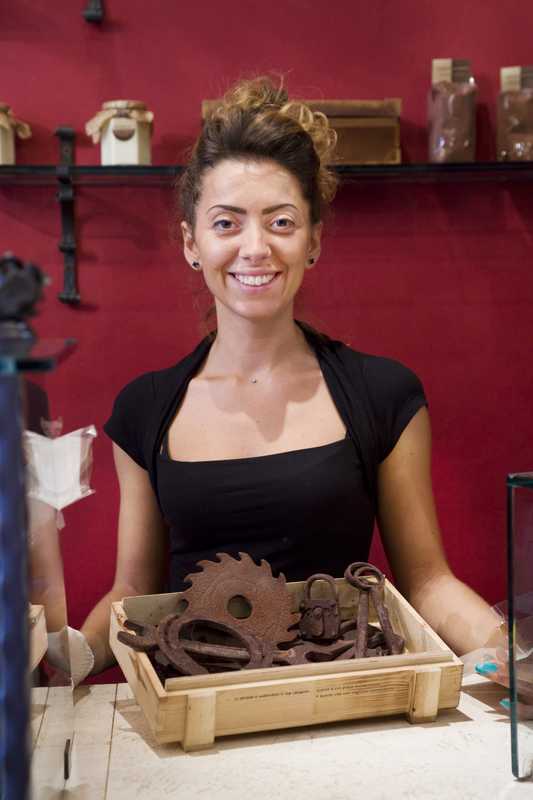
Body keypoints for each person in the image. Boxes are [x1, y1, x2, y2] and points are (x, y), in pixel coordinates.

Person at [79, 74, 511, 687]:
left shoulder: (383, 395)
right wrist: (62, 653)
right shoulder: (145, 409)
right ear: (191, 243)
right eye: (226, 223)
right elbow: (132, 592)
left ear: (312, 242)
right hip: (194, 715)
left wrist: (512, 654)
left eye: (281, 222)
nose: (255, 248)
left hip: (343, 703)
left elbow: (427, 582)